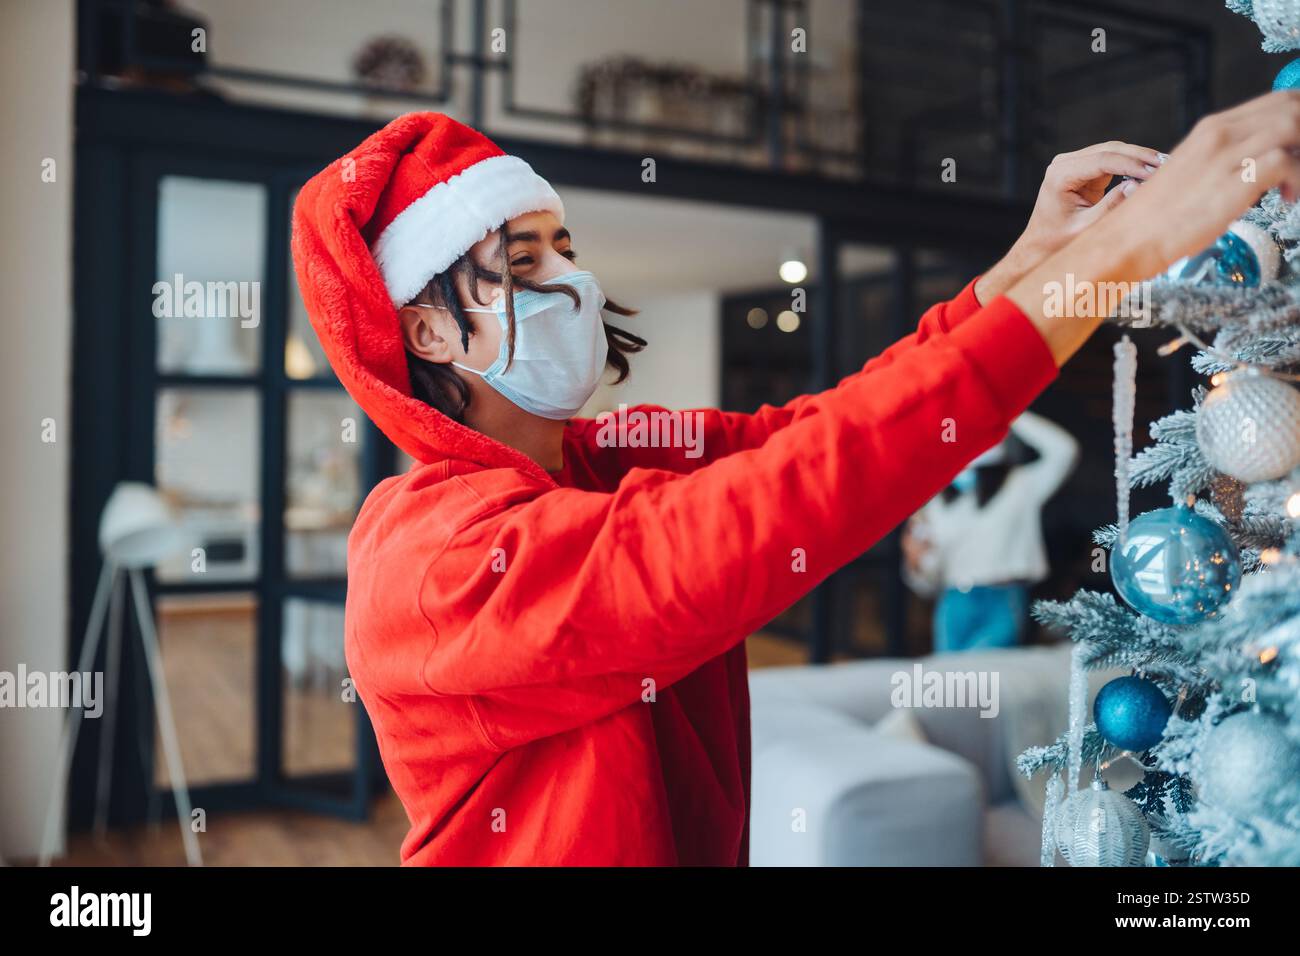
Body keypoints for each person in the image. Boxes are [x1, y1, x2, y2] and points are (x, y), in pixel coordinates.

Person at [290, 92, 1300, 865]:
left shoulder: (611, 457)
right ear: (425, 328)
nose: (571, 281)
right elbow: (770, 507)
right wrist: (1118, 257)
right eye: (523, 259)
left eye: (568, 248)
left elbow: (820, 430)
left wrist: (1027, 268)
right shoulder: (432, 554)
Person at [903, 411, 1078, 652]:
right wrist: (916, 563)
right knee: (949, 682)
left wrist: (1009, 411)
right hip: (954, 599)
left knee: (988, 679)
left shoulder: (1020, 485)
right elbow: (928, 582)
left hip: (1004, 596)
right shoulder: (939, 501)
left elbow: (1064, 450)